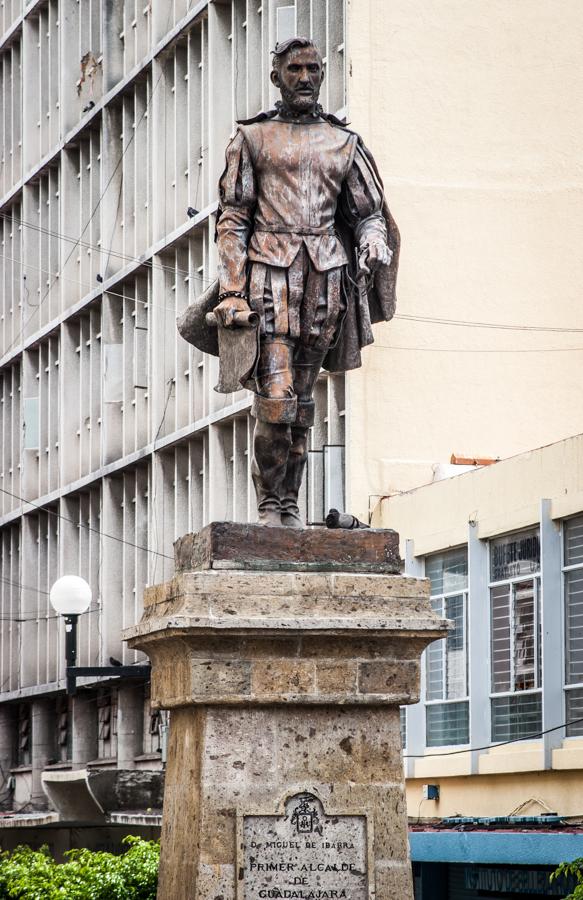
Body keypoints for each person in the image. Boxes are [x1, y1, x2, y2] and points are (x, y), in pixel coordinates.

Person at [211, 37, 399, 527]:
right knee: (276, 397)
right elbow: (233, 218)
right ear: (277, 77)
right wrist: (232, 290)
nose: (305, 77)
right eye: (294, 69)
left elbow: (367, 212)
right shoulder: (253, 139)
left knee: (304, 403)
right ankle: (270, 504)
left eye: (313, 69)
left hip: (324, 283)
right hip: (269, 279)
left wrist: (373, 238)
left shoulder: (344, 143)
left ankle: (290, 503)